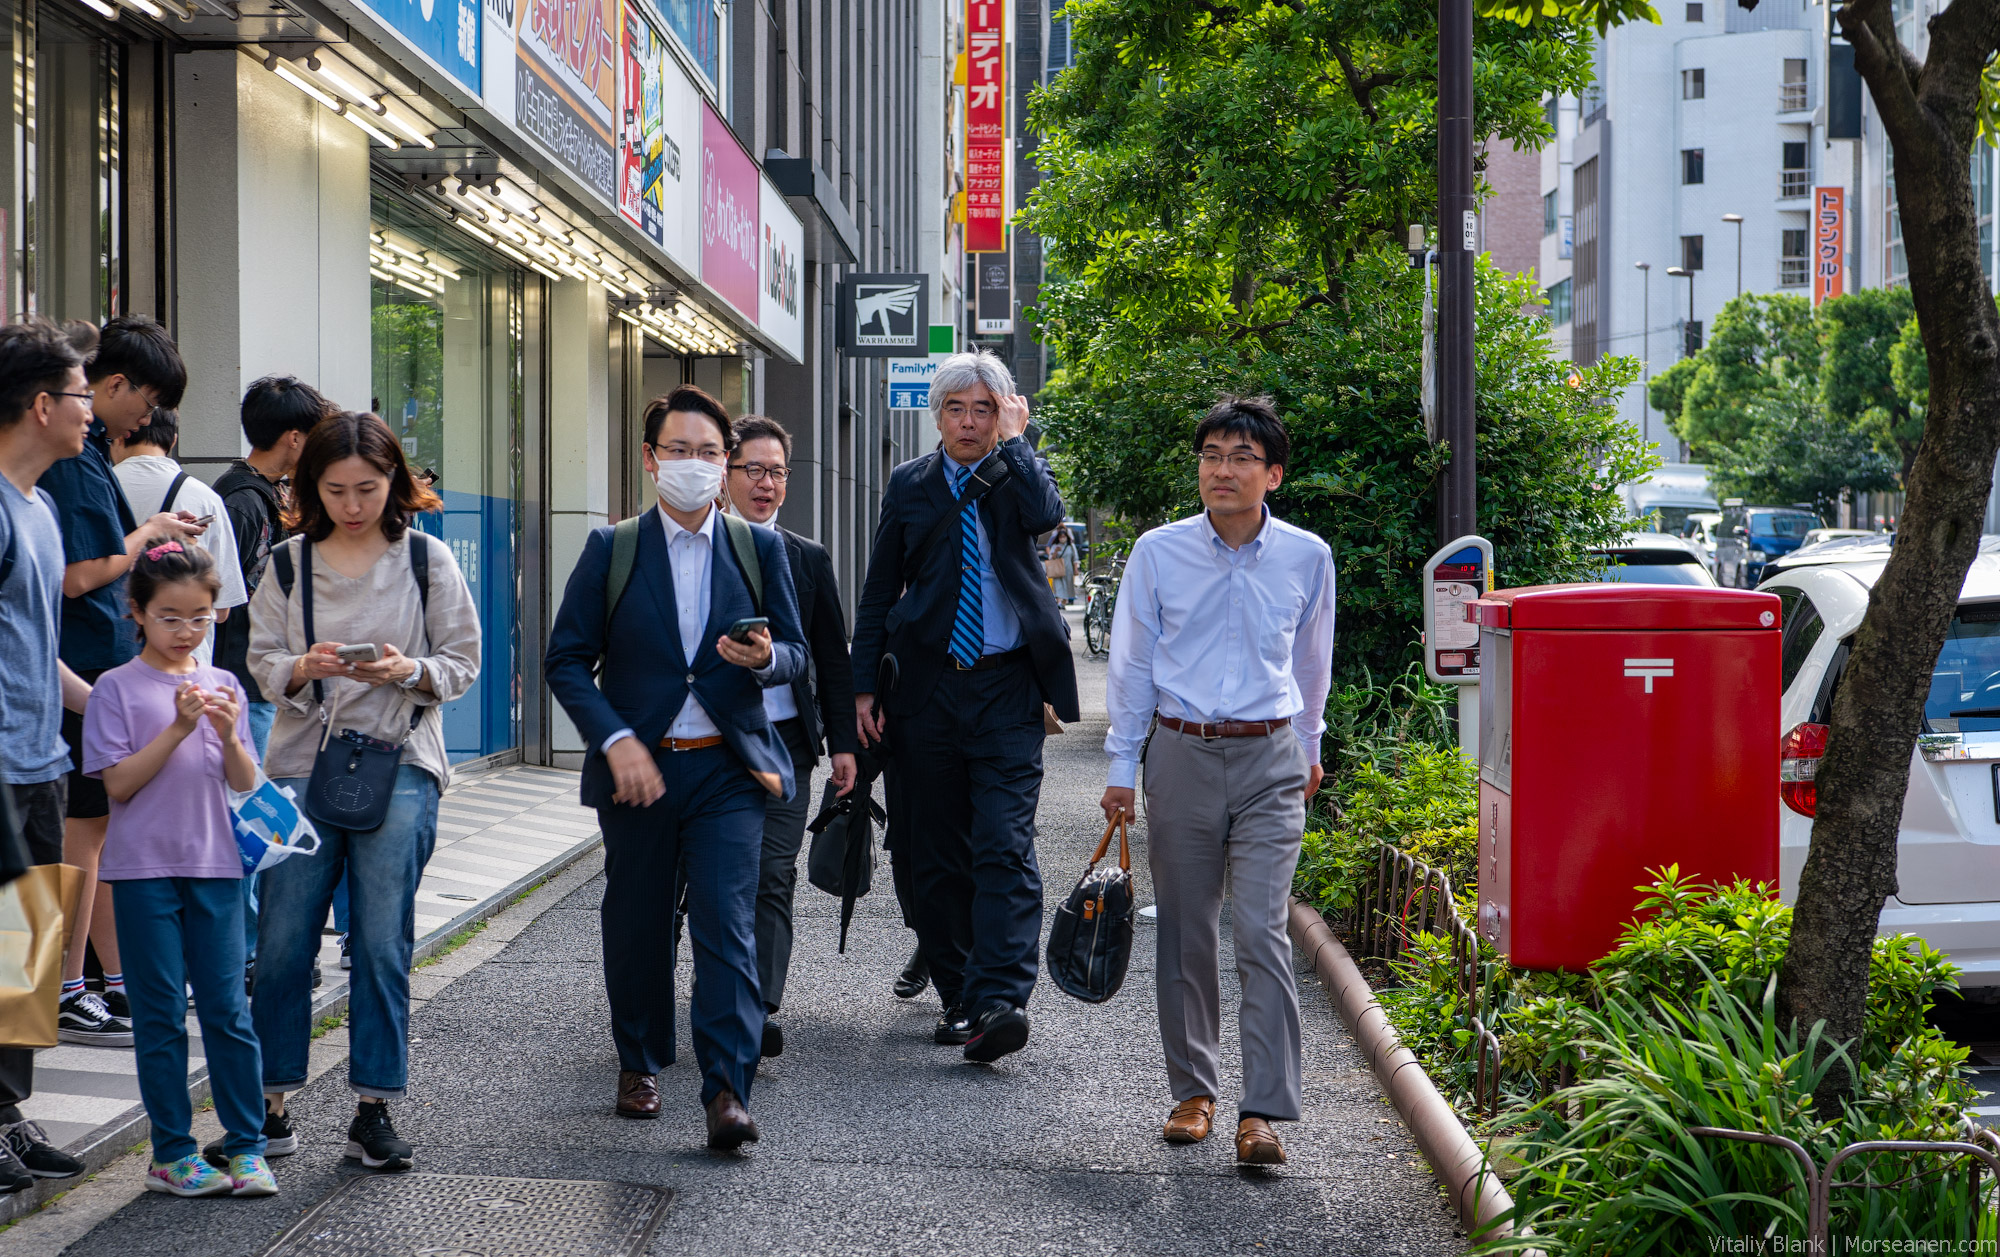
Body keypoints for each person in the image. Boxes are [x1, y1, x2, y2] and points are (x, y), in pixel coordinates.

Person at [544, 386, 806, 1148]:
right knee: (639, 922)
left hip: (729, 770)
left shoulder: (761, 549)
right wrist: (615, 737)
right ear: (652, 459)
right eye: (679, 451)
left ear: (726, 466)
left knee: (728, 927)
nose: (694, 464)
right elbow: (565, 659)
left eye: (709, 452)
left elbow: (793, 652)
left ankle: (727, 1087)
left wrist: (766, 659)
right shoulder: (612, 548)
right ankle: (640, 1058)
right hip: (640, 770)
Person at [1099, 396, 1334, 1167]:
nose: (1220, 469)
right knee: (1186, 929)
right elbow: (1131, 666)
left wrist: (1309, 745)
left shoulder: (1307, 556)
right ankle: (1193, 1091)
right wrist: (1120, 768)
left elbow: (1310, 664)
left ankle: (1262, 1110)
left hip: (1271, 757)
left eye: (1239, 457)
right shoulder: (1158, 552)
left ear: (1272, 475)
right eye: (1210, 455)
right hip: (1181, 751)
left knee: (1261, 929)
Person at [245, 411, 480, 1173]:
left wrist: (404, 670)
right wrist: (304, 668)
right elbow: (261, 660)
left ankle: (374, 1107)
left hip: (402, 760)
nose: (353, 504)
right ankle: (271, 1105)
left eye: (369, 488)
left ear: (395, 481)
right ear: (311, 486)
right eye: (336, 489)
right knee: (280, 943)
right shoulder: (285, 564)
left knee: (382, 942)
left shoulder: (426, 560)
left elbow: (460, 662)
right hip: (297, 767)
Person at [850, 349, 1079, 1063]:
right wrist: (862, 687)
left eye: (985, 408)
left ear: (1004, 413)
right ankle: (957, 994)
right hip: (926, 688)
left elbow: (1047, 515)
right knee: (932, 853)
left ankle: (999, 998)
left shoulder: (1017, 473)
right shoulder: (910, 484)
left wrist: (1019, 440)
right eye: (958, 408)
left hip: (1008, 687)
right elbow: (880, 587)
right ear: (938, 415)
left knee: (1004, 841)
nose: (970, 421)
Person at [82, 540, 276, 1198]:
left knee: (227, 1010)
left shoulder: (224, 685)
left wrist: (223, 734)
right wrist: (175, 727)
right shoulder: (115, 688)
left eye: (199, 616)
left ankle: (247, 1146)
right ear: (136, 612)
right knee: (161, 1014)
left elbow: (246, 779)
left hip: (219, 865)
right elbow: (120, 784)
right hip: (141, 872)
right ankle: (171, 1151)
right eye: (169, 616)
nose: (185, 629)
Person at [37, 315, 198, 1049]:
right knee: (57, 858)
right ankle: (61, 992)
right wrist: (141, 539)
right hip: (38, 726)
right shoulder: (48, 486)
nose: (147, 416)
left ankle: (18, 1086)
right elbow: (71, 584)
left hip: (58, 707)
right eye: (75, 389)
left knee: (68, 850)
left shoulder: (50, 487)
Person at [722, 415, 859, 1056]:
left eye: (777, 472)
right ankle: (708, 989)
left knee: (772, 874)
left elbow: (833, 658)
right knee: (705, 878)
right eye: (754, 469)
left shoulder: (806, 558)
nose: (767, 483)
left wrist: (843, 748)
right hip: (706, 743)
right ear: (725, 474)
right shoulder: (697, 548)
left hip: (785, 743)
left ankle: (756, 1005)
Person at [0, 320, 99, 1188]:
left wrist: (108, 704)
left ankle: (6, 1113)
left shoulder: (40, 507)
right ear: (41, 405)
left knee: (26, 949)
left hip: (40, 762)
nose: (91, 412)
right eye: (80, 395)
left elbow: (37, 646)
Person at [212, 377, 332, 986]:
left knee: (256, 821)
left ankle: (254, 951)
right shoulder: (247, 503)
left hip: (251, 686)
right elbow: (235, 602)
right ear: (293, 438)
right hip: (245, 686)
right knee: (253, 826)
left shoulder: (251, 496)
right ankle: (252, 954)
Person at [109, 406, 248, 669]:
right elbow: (221, 611)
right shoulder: (205, 498)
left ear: (118, 436)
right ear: (173, 439)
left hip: (112, 654)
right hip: (187, 666)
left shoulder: (101, 488)